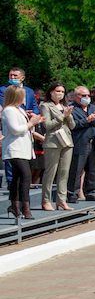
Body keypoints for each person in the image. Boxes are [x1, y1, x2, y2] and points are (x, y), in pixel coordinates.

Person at [3, 84, 43, 220]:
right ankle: (25, 207)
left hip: (23, 148)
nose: (25, 99)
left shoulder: (19, 109)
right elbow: (16, 129)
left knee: (17, 177)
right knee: (26, 176)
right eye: (23, 96)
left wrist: (35, 121)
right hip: (14, 149)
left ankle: (14, 205)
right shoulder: (9, 110)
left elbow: (26, 127)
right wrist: (31, 122)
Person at [67, 85, 95, 203]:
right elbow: (73, 125)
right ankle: (72, 193)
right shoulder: (72, 109)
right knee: (77, 170)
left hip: (94, 142)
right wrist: (87, 120)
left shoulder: (94, 108)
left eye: (88, 95)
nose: (87, 97)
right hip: (80, 142)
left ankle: (92, 192)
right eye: (83, 95)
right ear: (76, 96)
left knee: (93, 169)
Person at [38, 83, 75, 211]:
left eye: (62, 92)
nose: (60, 94)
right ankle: (46, 200)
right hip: (53, 142)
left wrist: (69, 115)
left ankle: (61, 200)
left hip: (67, 141)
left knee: (64, 172)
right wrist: (62, 116)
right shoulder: (45, 105)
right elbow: (47, 125)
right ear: (51, 92)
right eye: (57, 91)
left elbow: (72, 126)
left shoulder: (65, 106)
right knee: (51, 172)